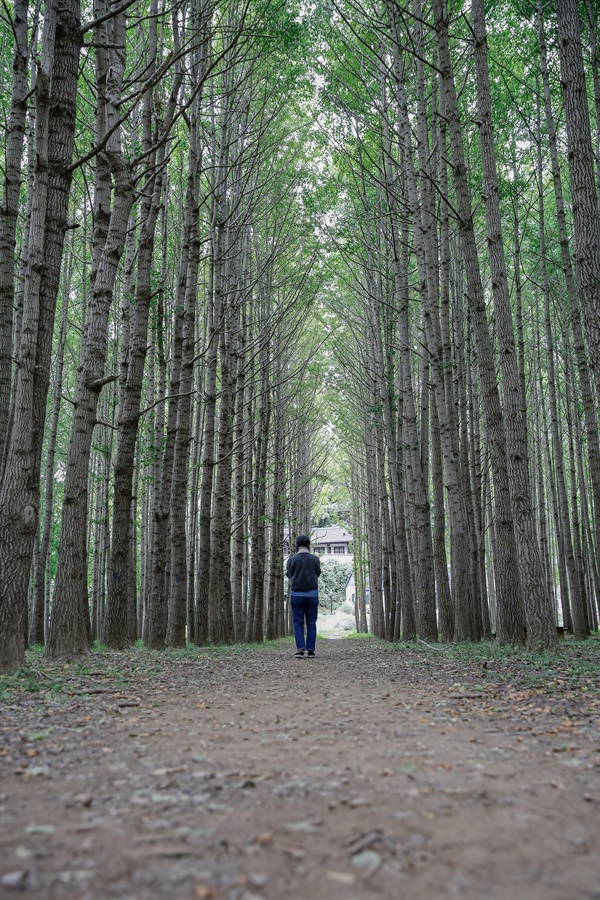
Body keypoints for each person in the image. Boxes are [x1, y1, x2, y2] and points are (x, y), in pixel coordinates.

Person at [286, 534, 321, 658]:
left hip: (296, 594)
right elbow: (318, 573)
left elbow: (289, 574)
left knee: (298, 622)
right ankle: (311, 650)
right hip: (312, 594)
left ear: (297, 545)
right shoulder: (315, 559)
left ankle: (300, 649)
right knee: (311, 622)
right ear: (309, 545)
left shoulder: (292, 559)